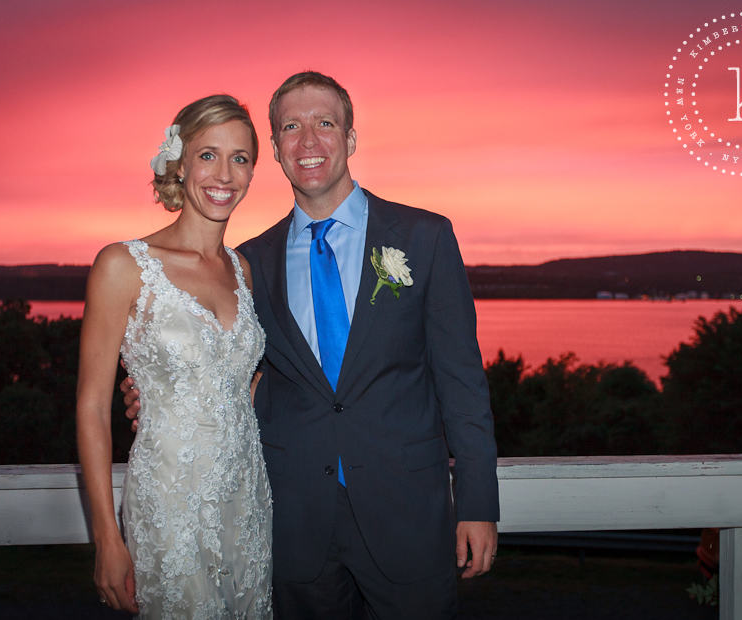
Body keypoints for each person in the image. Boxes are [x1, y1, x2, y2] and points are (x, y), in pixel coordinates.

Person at [125, 72, 499, 619]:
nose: (308, 141)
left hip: (408, 517)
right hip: (295, 521)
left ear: (350, 138)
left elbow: (462, 381)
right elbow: (229, 368)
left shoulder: (425, 237)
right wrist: (155, 394)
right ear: (274, 150)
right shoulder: (249, 264)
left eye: (325, 123)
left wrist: (477, 503)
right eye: (290, 128)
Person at [77, 94, 272, 618]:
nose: (224, 174)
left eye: (240, 158)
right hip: (169, 501)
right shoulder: (124, 265)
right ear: (179, 163)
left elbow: (238, 386)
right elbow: (92, 408)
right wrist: (107, 538)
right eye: (208, 155)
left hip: (247, 496)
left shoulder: (243, 271)